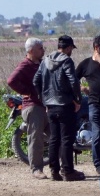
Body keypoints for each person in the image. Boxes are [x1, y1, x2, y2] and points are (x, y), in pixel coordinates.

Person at [33, 35, 85, 182]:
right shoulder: (66, 61)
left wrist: (43, 99)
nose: (71, 52)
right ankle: (68, 171)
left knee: (54, 139)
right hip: (65, 105)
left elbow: (36, 80)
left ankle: (54, 171)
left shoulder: (45, 60)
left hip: (50, 105)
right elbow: (73, 81)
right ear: (68, 48)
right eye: (71, 49)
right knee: (67, 139)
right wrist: (77, 99)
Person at [7, 37, 49, 179]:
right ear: (31, 51)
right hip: (33, 106)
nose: (43, 50)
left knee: (56, 136)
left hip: (45, 105)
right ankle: (36, 169)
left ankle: (59, 167)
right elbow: (11, 80)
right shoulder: (25, 65)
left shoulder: (41, 64)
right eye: (40, 48)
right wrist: (27, 91)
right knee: (35, 137)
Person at [75, 34, 100, 176]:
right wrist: (81, 89)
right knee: (97, 134)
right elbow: (73, 79)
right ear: (96, 47)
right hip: (95, 104)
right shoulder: (85, 64)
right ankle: (98, 164)